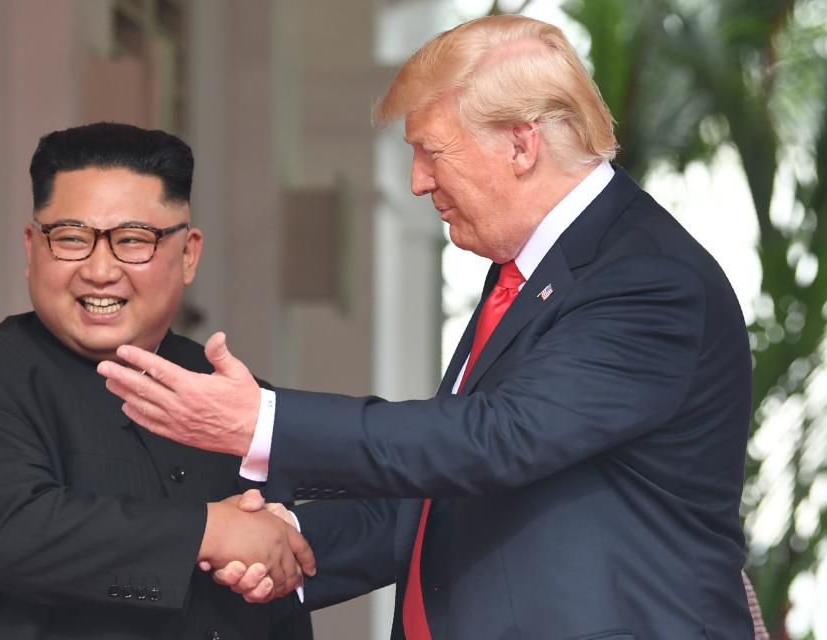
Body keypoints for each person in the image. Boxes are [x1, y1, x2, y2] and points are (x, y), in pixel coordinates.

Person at [98, 14, 756, 639]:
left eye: (431, 151)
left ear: (522, 145)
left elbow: (497, 441)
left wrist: (262, 422)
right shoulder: (531, 272)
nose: (417, 181)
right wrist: (288, 542)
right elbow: (449, 491)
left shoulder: (646, 277)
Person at [0, 122, 314, 640]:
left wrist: (260, 547)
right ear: (32, 249)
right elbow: (12, 534)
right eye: (71, 239)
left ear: (187, 255)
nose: (99, 270)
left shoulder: (236, 394)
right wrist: (212, 530)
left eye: (132, 241)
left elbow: (277, 569)